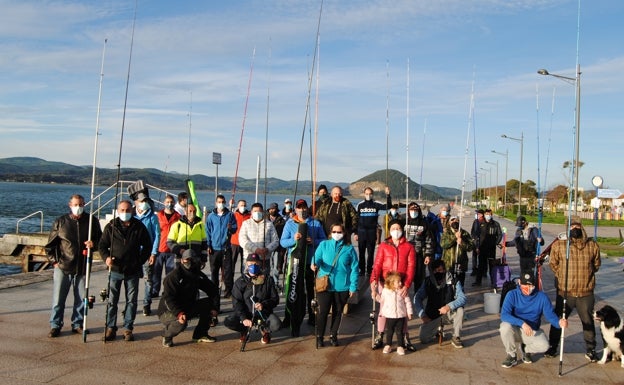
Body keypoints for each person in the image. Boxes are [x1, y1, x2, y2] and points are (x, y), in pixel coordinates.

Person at [544, 216, 601, 361]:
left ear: (581, 228)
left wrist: (586, 274)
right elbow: (553, 264)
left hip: (585, 293)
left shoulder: (592, 245)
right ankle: (553, 346)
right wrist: (562, 275)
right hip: (565, 292)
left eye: (576, 227)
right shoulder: (560, 245)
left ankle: (591, 349)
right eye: (571, 227)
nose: (574, 229)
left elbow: (596, 265)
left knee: (587, 322)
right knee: (558, 320)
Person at [46, 194, 102, 337]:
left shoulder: (92, 221)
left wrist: (93, 244)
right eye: (76, 205)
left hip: (82, 266)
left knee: (81, 299)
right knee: (58, 299)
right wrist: (54, 262)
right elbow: (50, 246)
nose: (79, 207)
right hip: (63, 266)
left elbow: (101, 240)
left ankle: (77, 324)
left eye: (81, 204)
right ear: (70, 205)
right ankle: (55, 325)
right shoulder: (61, 222)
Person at [99, 200, 152, 342]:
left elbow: (148, 246)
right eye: (122, 210)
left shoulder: (139, 226)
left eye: (128, 210)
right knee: (112, 300)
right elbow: (102, 246)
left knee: (131, 301)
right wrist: (106, 258)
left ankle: (128, 328)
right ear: (118, 210)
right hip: (115, 269)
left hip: (132, 271)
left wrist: (139, 261)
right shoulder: (111, 226)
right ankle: (110, 327)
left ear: (132, 210)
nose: (125, 213)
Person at [500, 271, 568, 368]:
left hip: (531, 331)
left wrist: (559, 323)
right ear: (519, 282)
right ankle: (511, 354)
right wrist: (522, 323)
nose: (527, 290)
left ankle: (525, 349)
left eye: (530, 287)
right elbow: (504, 315)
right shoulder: (511, 294)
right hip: (514, 329)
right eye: (524, 287)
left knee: (544, 345)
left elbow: (550, 316)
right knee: (504, 327)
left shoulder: (542, 297)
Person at [280, 199, 326, 334]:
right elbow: (283, 242)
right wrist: (293, 239)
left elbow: (323, 240)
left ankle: (312, 317)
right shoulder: (289, 223)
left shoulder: (315, 223)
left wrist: (313, 241)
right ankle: (288, 317)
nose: (302, 210)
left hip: (310, 262)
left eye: (304, 207)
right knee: (292, 290)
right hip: (294, 263)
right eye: (299, 207)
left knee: (311, 291)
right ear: (296, 209)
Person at [158, 249, 221, 347]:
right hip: (168, 310)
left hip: (187, 306)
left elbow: (212, 290)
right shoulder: (173, 276)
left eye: (193, 260)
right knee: (182, 323)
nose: (190, 262)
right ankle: (167, 335)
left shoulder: (197, 274)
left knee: (209, 304)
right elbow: (168, 299)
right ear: (182, 260)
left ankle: (200, 334)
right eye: (187, 260)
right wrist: (179, 313)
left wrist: (215, 308)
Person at [370, 219, 416, 351]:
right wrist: (373, 280)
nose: (396, 230)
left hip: (401, 284)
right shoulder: (384, 246)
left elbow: (411, 267)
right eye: (393, 228)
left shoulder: (409, 246)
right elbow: (378, 264)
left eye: (398, 228)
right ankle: (380, 335)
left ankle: (405, 337)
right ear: (389, 230)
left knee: (402, 312)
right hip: (385, 284)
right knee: (383, 310)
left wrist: (406, 285)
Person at [311, 222, 358, 347]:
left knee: (338, 312)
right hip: (325, 284)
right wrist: (314, 264)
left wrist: (353, 286)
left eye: (339, 232)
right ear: (330, 233)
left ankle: (333, 335)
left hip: (342, 286)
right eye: (334, 232)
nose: (337, 234)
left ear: (344, 233)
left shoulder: (349, 249)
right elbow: (316, 258)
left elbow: (354, 268)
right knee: (323, 312)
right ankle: (320, 336)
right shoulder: (324, 244)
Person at [224, 253, 281, 345]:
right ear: (246, 264)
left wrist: (264, 304)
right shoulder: (240, 282)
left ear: (260, 264)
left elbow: (275, 299)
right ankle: (244, 330)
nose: (253, 266)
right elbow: (236, 302)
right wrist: (243, 318)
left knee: (276, 324)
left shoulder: (267, 280)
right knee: (229, 321)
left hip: (263, 313)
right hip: (246, 313)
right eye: (250, 264)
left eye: (256, 264)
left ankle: (265, 331)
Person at [414, 259, 466, 349]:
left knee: (460, 310)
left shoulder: (454, 281)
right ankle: (437, 330)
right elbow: (417, 298)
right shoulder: (428, 282)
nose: (439, 273)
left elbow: (462, 298)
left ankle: (456, 336)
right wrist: (422, 315)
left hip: (449, 313)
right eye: (436, 271)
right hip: (433, 316)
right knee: (423, 338)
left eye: (441, 270)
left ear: (445, 270)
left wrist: (448, 306)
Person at [372, 271, 413, 355]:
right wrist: (375, 295)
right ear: (391, 283)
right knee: (389, 331)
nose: (401, 283)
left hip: (400, 315)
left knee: (400, 332)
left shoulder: (402, 291)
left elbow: (407, 302)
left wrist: (409, 312)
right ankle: (388, 345)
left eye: (400, 281)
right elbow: (381, 300)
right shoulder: (385, 291)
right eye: (398, 282)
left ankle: (400, 346)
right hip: (390, 316)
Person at [133, 192, 160, 317]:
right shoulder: (132, 216)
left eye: (146, 201)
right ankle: (131, 305)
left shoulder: (152, 217)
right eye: (141, 201)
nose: (144, 203)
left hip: (147, 253)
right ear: (136, 202)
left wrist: (153, 252)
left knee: (148, 280)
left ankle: (146, 304)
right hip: (133, 254)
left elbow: (157, 236)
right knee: (131, 281)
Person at [355, 186, 392, 276]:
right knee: (361, 253)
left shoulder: (376, 204)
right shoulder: (360, 205)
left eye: (370, 194)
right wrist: (356, 233)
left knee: (371, 253)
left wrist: (388, 195)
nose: (368, 195)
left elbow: (388, 206)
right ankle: (362, 270)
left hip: (372, 232)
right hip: (361, 232)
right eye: (367, 194)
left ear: (372, 194)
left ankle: (369, 270)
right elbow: (356, 220)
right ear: (364, 194)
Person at [206, 194, 237, 298]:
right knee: (214, 272)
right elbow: (208, 231)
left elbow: (234, 228)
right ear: (216, 203)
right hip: (214, 249)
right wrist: (208, 245)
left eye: (223, 202)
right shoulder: (211, 216)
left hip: (226, 248)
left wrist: (231, 227)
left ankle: (228, 292)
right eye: (219, 202)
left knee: (228, 272)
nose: (221, 204)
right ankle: (214, 292)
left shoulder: (230, 215)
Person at [153, 194, 181, 298]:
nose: (170, 204)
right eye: (168, 202)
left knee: (170, 274)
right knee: (156, 272)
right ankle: (155, 290)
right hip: (159, 248)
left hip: (172, 250)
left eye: (172, 202)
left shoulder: (178, 217)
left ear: (174, 203)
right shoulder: (158, 215)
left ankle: (168, 291)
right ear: (164, 203)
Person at [404, 201, 435, 292]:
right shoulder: (403, 221)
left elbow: (429, 240)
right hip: (405, 255)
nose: (413, 211)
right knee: (404, 275)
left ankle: (417, 295)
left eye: (416, 210)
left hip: (419, 254)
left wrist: (428, 255)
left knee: (419, 277)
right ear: (408, 210)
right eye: (411, 209)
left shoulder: (424, 223)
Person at [166, 203, 208, 267]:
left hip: (196, 260)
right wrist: (179, 250)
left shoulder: (200, 226)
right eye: (190, 211)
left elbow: (204, 244)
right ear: (185, 212)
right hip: (180, 260)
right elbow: (169, 242)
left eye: (194, 211)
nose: (192, 213)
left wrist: (204, 259)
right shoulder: (177, 225)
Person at [440, 216, 474, 288]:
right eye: (452, 220)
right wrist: (454, 237)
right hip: (448, 265)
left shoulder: (465, 233)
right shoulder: (446, 233)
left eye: (457, 220)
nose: (455, 221)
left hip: (461, 265)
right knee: (448, 285)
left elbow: (471, 247)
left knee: (460, 286)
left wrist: (462, 243)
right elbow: (443, 245)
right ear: (449, 222)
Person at [473, 208, 502, 286]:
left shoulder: (496, 224)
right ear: (484, 215)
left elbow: (499, 235)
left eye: (489, 214)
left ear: (491, 215)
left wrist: (496, 243)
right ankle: (478, 282)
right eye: (486, 214)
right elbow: (477, 236)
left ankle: (493, 282)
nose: (488, 216)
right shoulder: (481, 223)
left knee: (492, 266)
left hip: (491, 249)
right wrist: (477, 246)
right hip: (482, 248)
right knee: (481, 265)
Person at [267, 202, 287, 283]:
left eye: (274, 209)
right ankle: (267, 282)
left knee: (276, 265)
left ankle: (275, 282)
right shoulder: (265, 219)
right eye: (271, 209)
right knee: (268, 265)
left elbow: (283, 233)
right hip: (267, 245)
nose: (272, 210)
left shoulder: (282, 220)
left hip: (277, 246)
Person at [231, 199, 250, 274]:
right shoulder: (233, 215)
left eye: (244, 205)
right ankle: (230, 280)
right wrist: (230, 205)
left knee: (244, 263)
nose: (243, 207)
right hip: (234, 243)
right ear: (238, 206)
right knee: (232, 262)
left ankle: (243, 278)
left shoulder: (249, 216)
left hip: (245, 243)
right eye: (241, 205)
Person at [469, 209, 484, 276]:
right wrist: (472, 237)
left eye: (478, 214)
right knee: (474, 256)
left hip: (482, 242)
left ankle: (483, 271)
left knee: (482, 257)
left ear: (481, 215)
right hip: (475, 241)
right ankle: (474, 269)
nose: (476, 215)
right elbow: (472, 230)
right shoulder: (475, 221)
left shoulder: (484, 222)